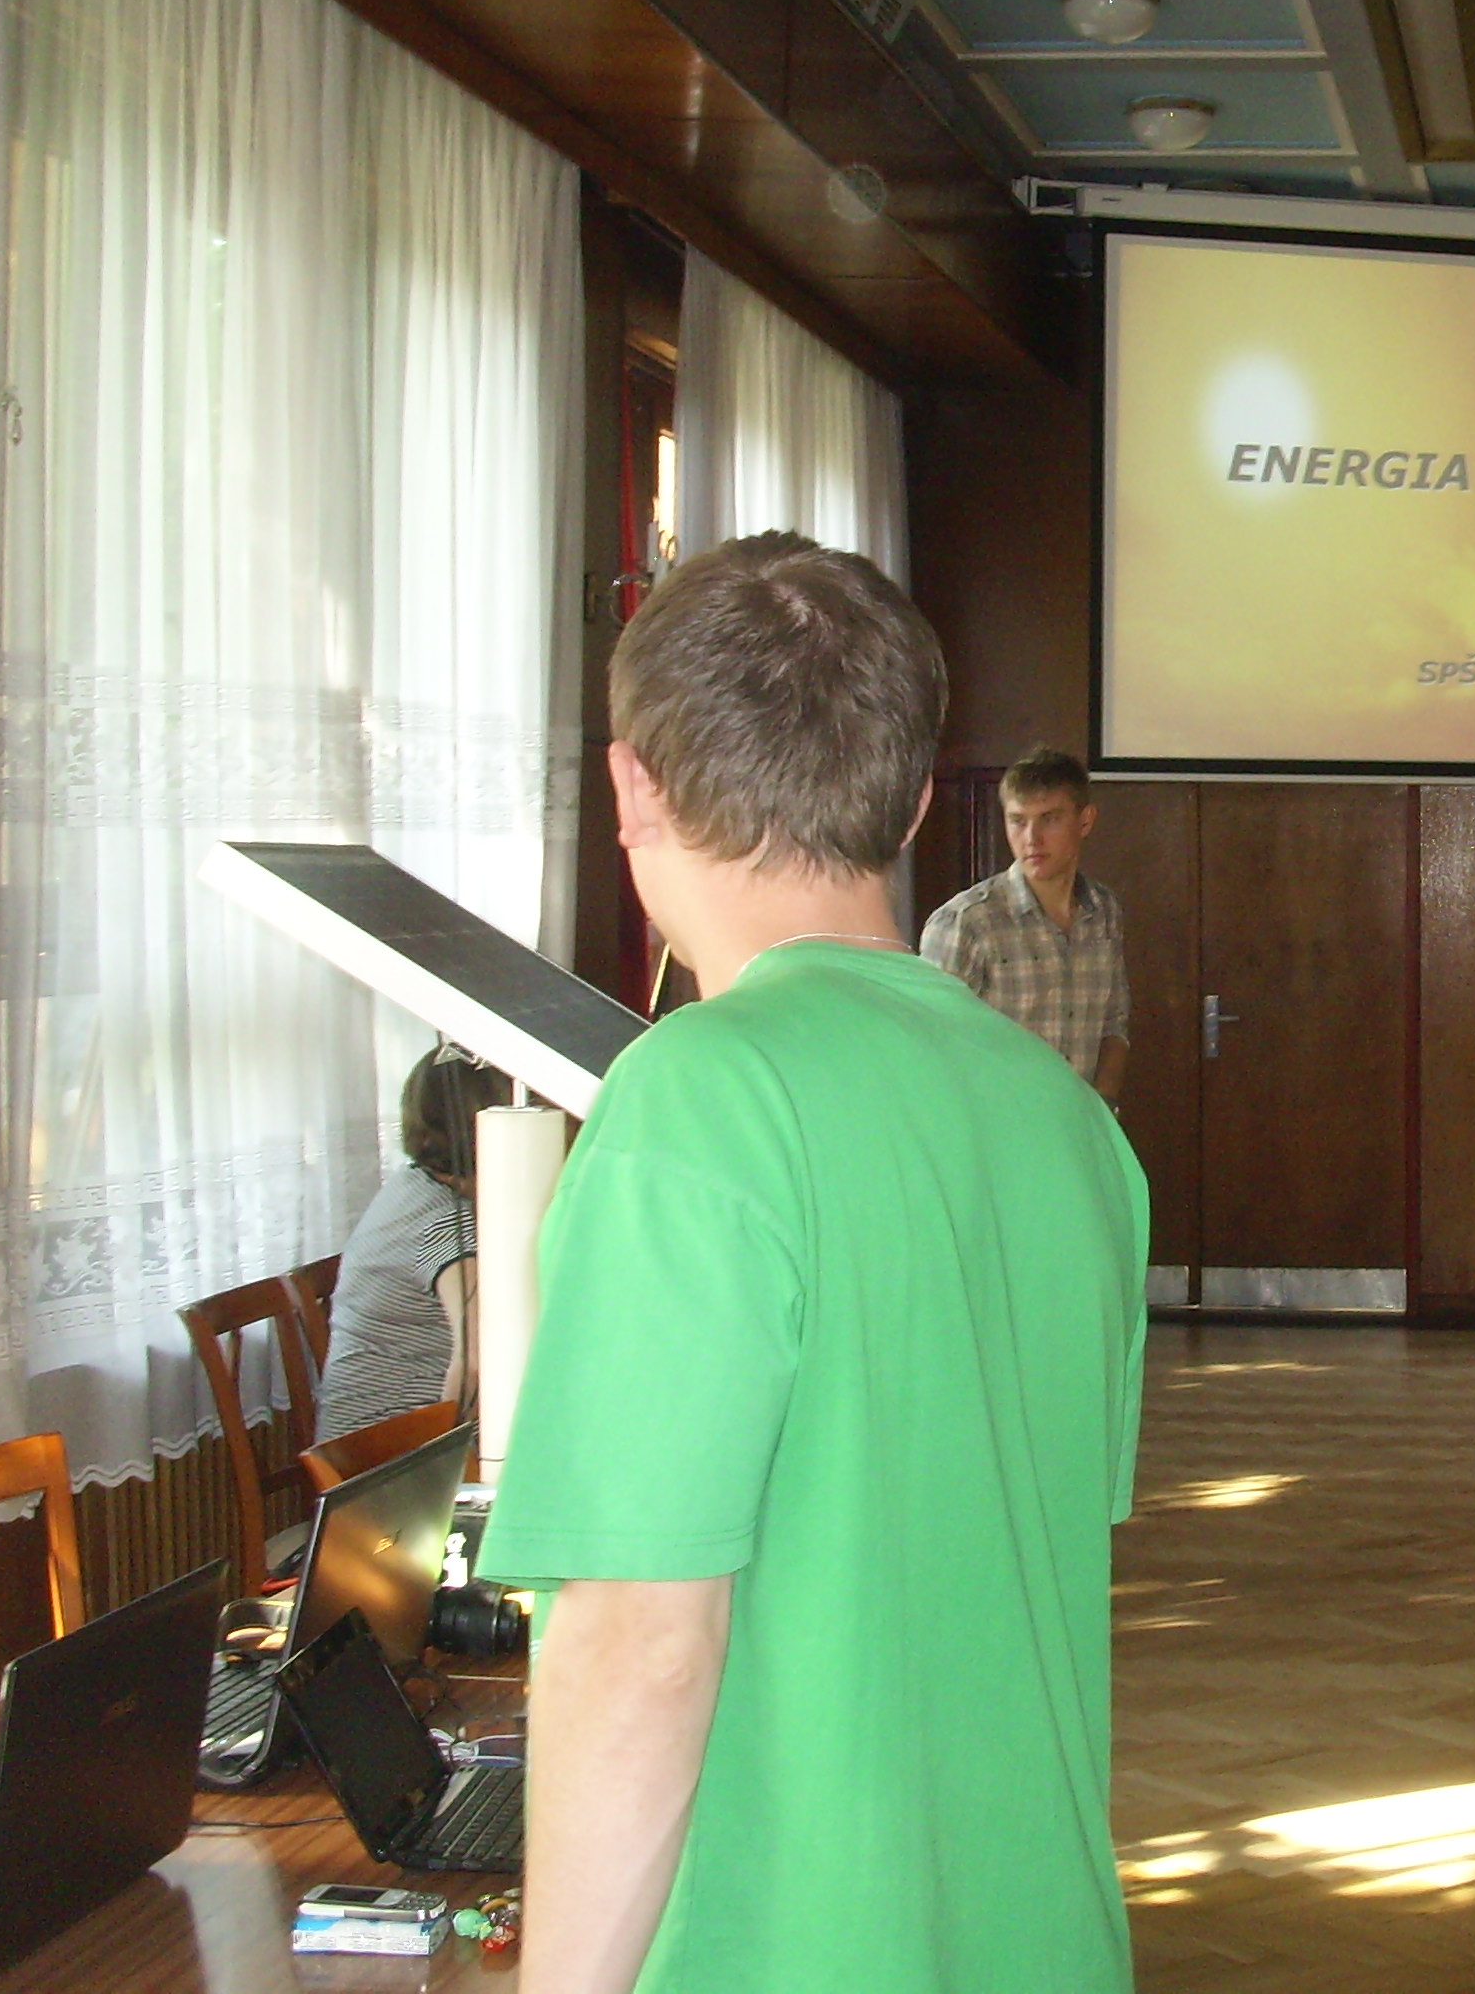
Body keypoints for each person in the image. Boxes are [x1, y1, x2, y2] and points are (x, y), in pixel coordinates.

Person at [478, 535, 1149, 1994]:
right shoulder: (1072, 1129)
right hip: (1040, 1942)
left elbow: (644, 1641)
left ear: (632, 786)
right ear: (911, 804)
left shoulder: (697, 1099)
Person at [314, 1048, 515, 1444]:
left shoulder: (414, 1183)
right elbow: (479, 1361)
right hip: (391, 1455)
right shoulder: (445, 1225)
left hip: (382, 1438)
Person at [920, 745, 1130, 1106]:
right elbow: (931, 1047)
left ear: (1085, 821)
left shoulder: (1103, 910)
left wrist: (1103, 1106)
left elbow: (1114, 1022)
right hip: (995, 1123)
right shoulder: (966, 923)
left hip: (1078, 1120)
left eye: (1049, 819)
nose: (1032, 837)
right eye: (1018, 821)